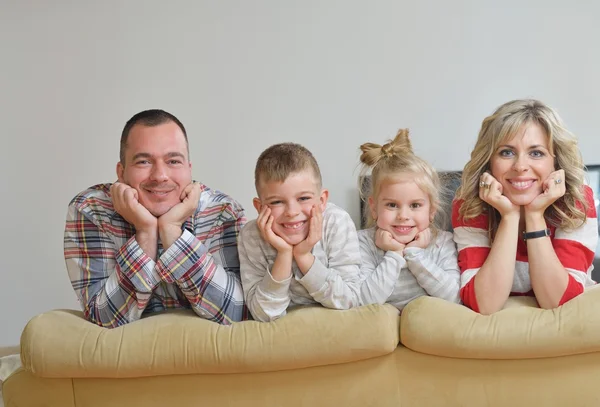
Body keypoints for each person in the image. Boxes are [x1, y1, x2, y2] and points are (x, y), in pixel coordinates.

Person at [64, 109, 248, 327]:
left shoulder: (222, 212)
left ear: (189, 169)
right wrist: (145, 232)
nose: (160, 175)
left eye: (173, 161)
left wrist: (172, 230)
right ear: (121, 172)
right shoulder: (91, 210)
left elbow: (237, 314)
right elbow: (104, 320)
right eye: (143, 162)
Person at [452, 99, 598, 314]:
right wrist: (509, 217)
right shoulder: (469, 203)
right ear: (489, 161)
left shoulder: (576, 198)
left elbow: (558, 301)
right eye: (506, 152)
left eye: (536, 153)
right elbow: (484, 303)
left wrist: (535, 214)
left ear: (555, 162)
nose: (520, 166)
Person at [238, 143, 362, 322]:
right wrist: (284, 253)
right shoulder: (251, 236)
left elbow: (349, 299)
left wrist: (303, 256)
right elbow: (264, 314)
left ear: (322, 200)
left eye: (303, 198)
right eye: (276, 202)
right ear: (259, 207)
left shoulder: (337, 222)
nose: (292, 212)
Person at [357, 129, 461, 311]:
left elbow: (454, 297)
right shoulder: (362, 243)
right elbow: (364, 301)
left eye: (415, 205)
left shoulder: (443, 242)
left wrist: (414, 254)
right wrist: (394, 254)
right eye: (392, 205)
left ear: (432, 210)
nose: (403, 216)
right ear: (374, 208)